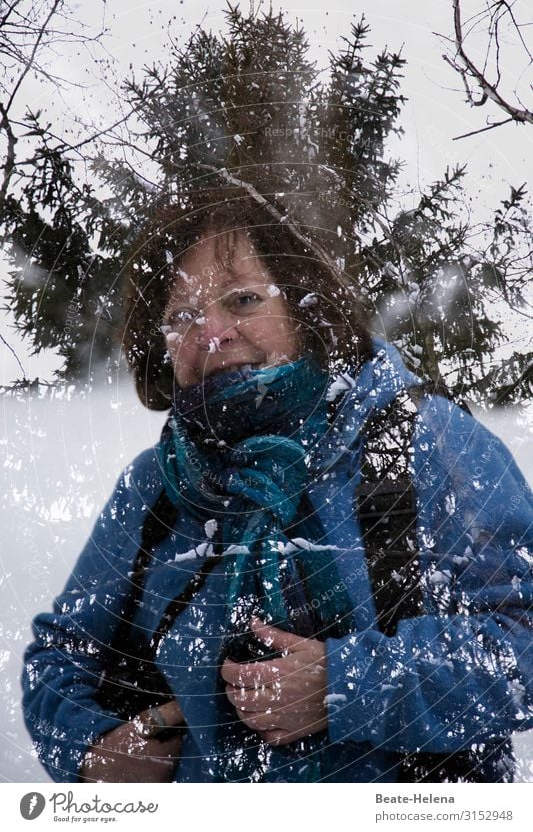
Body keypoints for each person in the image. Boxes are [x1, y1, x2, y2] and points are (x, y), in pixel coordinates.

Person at [22, 193, 533, 783]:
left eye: (242, 300)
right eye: (181, 316)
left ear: (306, 312)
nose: (210, 333)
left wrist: (346, 685)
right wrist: (93, 749)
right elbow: (62, 654)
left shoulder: (430, 444)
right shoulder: (155, 485)